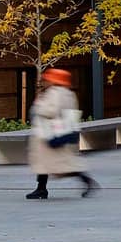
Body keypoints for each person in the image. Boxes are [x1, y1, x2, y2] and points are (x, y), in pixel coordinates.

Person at [26, 67, 97, 199]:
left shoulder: (55, 93)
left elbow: (50, 111)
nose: (45, 82)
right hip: (59, 132)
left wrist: (38, 108)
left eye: (47, 80)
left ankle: (86, 181)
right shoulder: (68, 93)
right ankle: (41, 188)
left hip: (50, 133)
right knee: (50, 164)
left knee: (58, 164)